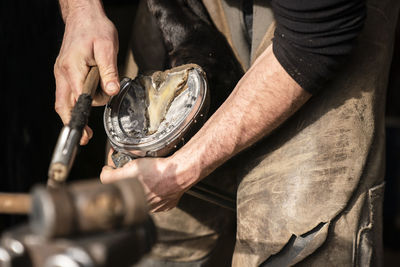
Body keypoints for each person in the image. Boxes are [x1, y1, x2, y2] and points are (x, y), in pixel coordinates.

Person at [53, 0, 400, 265]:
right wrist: (82, 14)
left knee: (293, 238)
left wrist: (183, 170)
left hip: (317, 27)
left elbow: (317, 40)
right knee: (149, 236)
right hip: (182, 7)